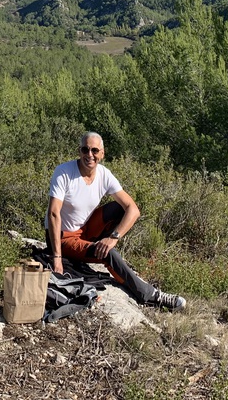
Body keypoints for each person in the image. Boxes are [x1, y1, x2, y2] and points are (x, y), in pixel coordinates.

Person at [44, 131, 185, 310]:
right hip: (62, 237)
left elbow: (133, 209)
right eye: (85, 149)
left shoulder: (104, 174)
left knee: (117, 209)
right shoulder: (64, 172)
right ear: (79, 151)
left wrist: (113, 237)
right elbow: (54, 213)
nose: (89, 155)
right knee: (108, 254)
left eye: (94, 150)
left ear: (102, 154)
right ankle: (150, 295)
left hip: (85, 229)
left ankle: (102, 251)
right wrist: (57, 257)